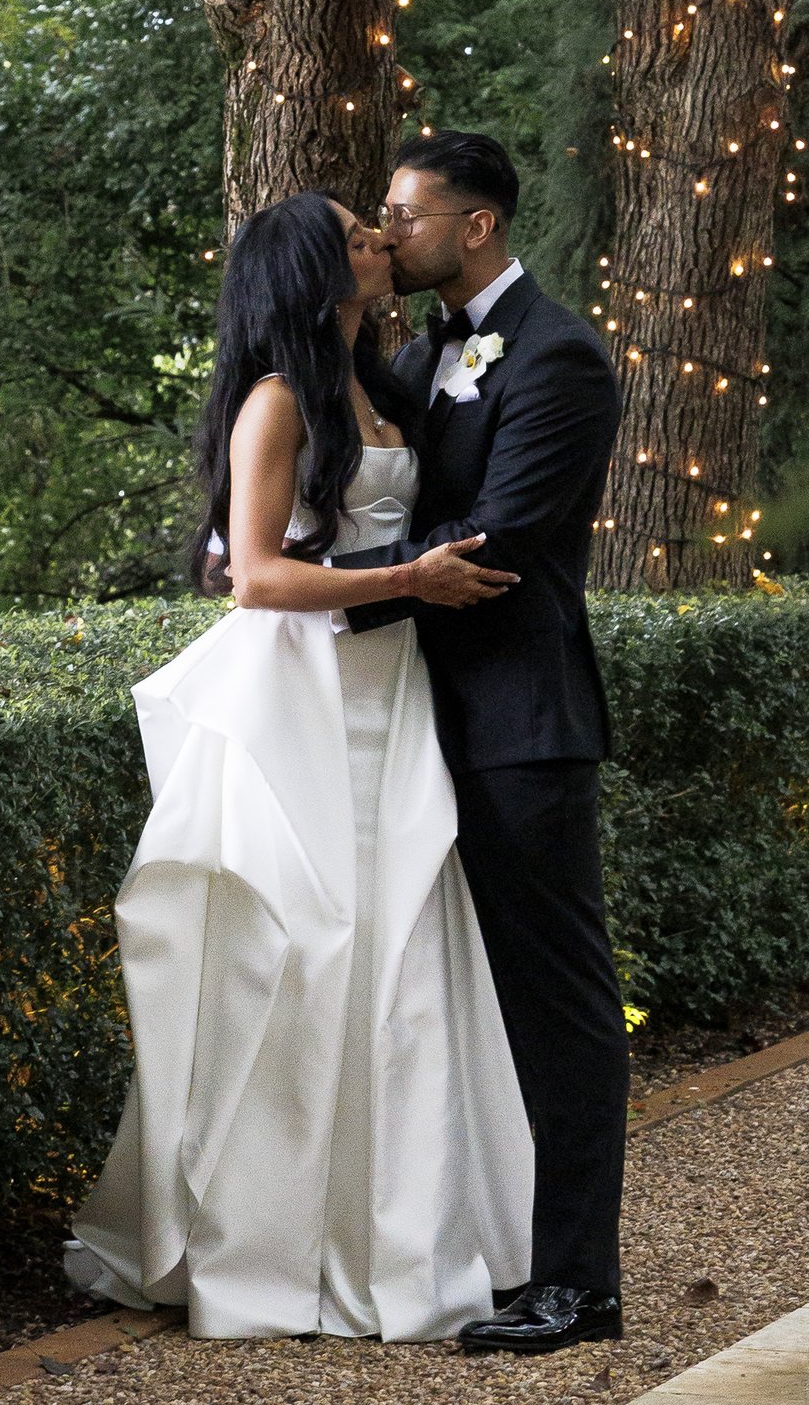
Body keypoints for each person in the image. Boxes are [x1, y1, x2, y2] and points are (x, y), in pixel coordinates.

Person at [65, 192, 534, 1340]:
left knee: (405, 950)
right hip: (302, 697)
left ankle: (412, 1238)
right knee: (306, 954)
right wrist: (402, 585)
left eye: (379, 230)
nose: (380, 243)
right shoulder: (276, 404)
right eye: (359, 235)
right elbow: (257, 577)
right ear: (315, 269)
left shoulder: (373, 387)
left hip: (388, 697)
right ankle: (277, 1244)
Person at [379, 130, 628, 1355]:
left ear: (476, 225)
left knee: (559, 1005)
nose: (388, 233)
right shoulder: (423, 351)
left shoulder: (561, 353)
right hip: (420, 723)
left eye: (406, 214)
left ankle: (580, 1285)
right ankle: (474, 1246)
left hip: (523, 724)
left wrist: (313, 591)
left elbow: (500, 537)